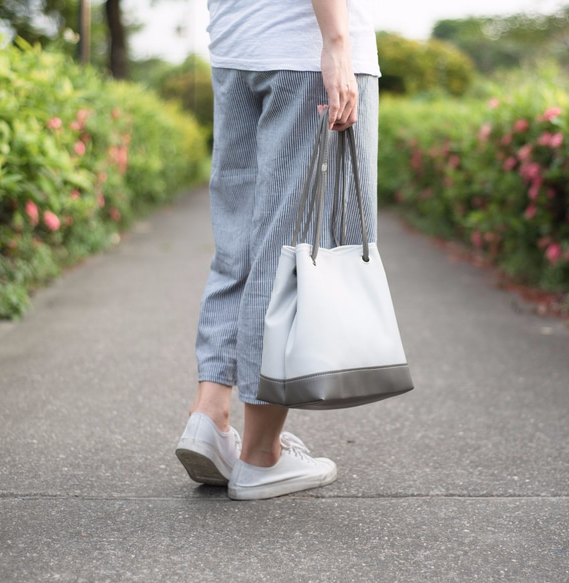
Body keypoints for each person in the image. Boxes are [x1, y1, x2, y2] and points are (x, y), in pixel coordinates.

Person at [175, 0, 381, 500]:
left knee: (239, 244)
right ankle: (261, 454)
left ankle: (210, 414)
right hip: (303, 49)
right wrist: (336, 43)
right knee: (289, 248)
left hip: (235, 48)